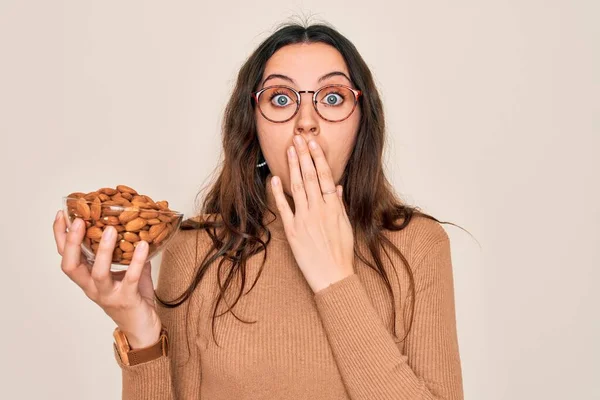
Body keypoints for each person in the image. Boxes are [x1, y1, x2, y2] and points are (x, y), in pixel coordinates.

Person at [53, 21, 465, 400]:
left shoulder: (417, 246)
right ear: (253, 124)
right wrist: (142, 336)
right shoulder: (196, 249)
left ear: (362, 122)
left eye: (333, 97)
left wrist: (335, 279)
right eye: (281, 98)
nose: (307, 121)